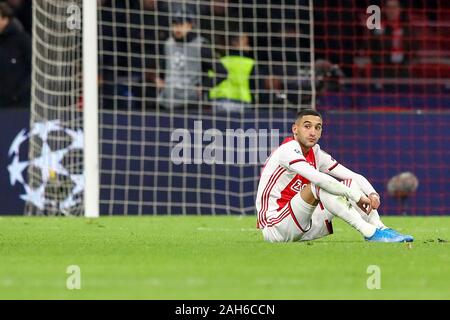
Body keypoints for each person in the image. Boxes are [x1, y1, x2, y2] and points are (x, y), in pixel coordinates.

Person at [256, 109, 414, 243]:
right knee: (320, 186)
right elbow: (319, 180)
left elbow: (354, 176)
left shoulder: (316, 152)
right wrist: (357, 197)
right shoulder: (287, 150)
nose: (313, 132)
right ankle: (370, 233)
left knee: (349, 183)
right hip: (275, 227)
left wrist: (372, 194)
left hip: (302, 223)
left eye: (318, 128)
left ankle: (381, 229)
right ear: (295, 129)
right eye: (307, 126)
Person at [156, 6, 226, 110]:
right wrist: (160, 79)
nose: (177, 28)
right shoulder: (168, 44)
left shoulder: (200, 45)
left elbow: (222, 72)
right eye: (175, 24)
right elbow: (164, 68)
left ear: (189, 25)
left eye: (181, 24)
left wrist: (204, 87)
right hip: (168, 103)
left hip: (192, 104)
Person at [208, 28, 257, 113]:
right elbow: (255, 85)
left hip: (219, 102)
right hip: (242, 102)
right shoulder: (250, 63)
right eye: (246, 43)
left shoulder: (219, 62)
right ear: (235, 43)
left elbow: (209, 81)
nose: (248, 46)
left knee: (220, 126)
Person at [0, 2, 31, 108]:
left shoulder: (22, 39)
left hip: (22, 103)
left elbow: (34, 69)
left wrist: (18, 94)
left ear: (5, 18)